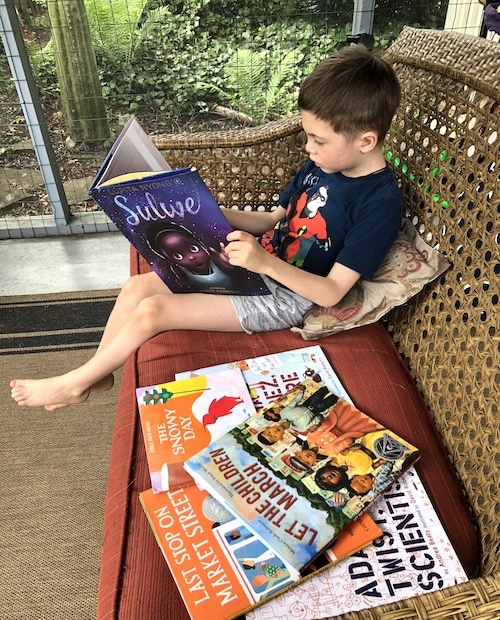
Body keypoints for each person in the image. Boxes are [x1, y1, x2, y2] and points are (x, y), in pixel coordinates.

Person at [10, 45, 402, 410]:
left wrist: (264, 263)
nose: (307, 149)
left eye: (318, 140)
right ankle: (98, 375)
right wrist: (205, 209)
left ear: (366, 140)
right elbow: (271, 220)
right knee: (136, 287)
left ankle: (76, 382)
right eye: (307, 136)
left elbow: (332, 293)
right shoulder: (320, 167)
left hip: (288, 297)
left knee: (152, 312)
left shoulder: (379, 204)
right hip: (255, 266)